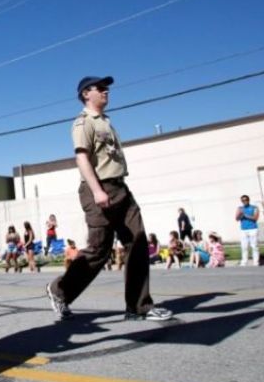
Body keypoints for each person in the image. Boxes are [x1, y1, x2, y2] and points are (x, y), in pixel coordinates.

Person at [45, 76, 172, 322]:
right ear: (85, 94)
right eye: (100, 88)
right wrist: (97, 190)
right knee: (99, 250)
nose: (106, 91)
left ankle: (138, 307)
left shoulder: (106, 122)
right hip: (99, 188)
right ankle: (59, 290)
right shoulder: (83, 123)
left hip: (120, 188)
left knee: (137, 242)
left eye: (107, 88)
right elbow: (82, 159)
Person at [235, 194, 260, 266]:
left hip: (253, 228)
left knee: (254, 246)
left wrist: (245, 215)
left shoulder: (254, 207)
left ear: (248, 200)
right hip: (243, 229)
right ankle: (244, 261)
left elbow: (255, 218)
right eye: (242, 200)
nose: (244, 202)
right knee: (244, 246)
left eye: (245, 200)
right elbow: (236, 218)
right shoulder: (240, 208)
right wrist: (240, 214)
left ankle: (256, 262)